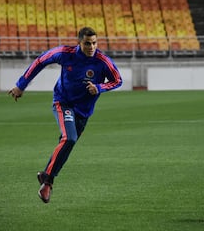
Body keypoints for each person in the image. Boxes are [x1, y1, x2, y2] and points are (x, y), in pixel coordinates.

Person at [8, 27, 122, 204]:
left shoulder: (102, 61)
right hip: (64, 103)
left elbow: (117, 80)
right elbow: (40, 61)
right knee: (69, 138)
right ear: (79, 42)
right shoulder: (64, 53)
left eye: (94, 43)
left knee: (68, 143)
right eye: (87, 43)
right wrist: (21, 85)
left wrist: (100, 87)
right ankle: (48, 179)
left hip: (84, 112)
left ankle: (47, 182)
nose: (91, 47)